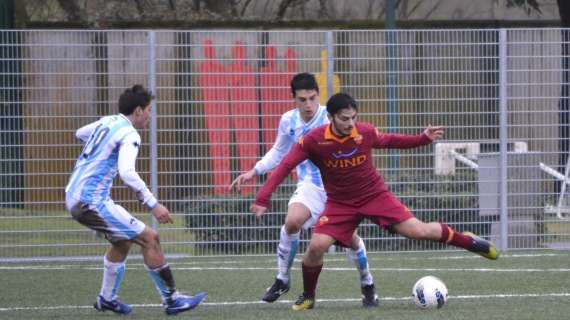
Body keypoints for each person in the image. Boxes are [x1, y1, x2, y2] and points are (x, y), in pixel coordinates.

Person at [251, 92, 499, 311]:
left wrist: (422, 138)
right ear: (331, 117)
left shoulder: (364, 132)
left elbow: (391, 141)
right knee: (316, 247)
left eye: (353, 118)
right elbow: (285, 165)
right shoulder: (313, 140)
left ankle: (470, 241)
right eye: (344, 119)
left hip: (374, 195)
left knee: (419, 231)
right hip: (340, 204)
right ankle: (308, 297)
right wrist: (263, 196)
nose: (351, 124)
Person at [229, 73, 378, 307]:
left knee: (351, 240)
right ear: (294, 99)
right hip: (310, 185)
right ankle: (282, 279)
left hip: (338, 190)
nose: (308, 104)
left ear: (318, 96)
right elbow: (279, 152)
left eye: (312, 98)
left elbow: (358, 141)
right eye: (302, 99)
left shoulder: (332, 116)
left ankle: (367, 282)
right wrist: (254, 171)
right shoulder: (288, 121)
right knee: (292, 222)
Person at [65, 85, 207, 316]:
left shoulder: (108, 121)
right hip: (90, 201)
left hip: (75, 195)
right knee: (150, 238)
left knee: (122, 242)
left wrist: (100, 151)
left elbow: (80, 133)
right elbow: (128, 173)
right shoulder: (130, 134)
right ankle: (172, 299)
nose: (150, 115)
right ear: (139, 111)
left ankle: (107, 298)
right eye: (149, 110)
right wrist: (154, 204)